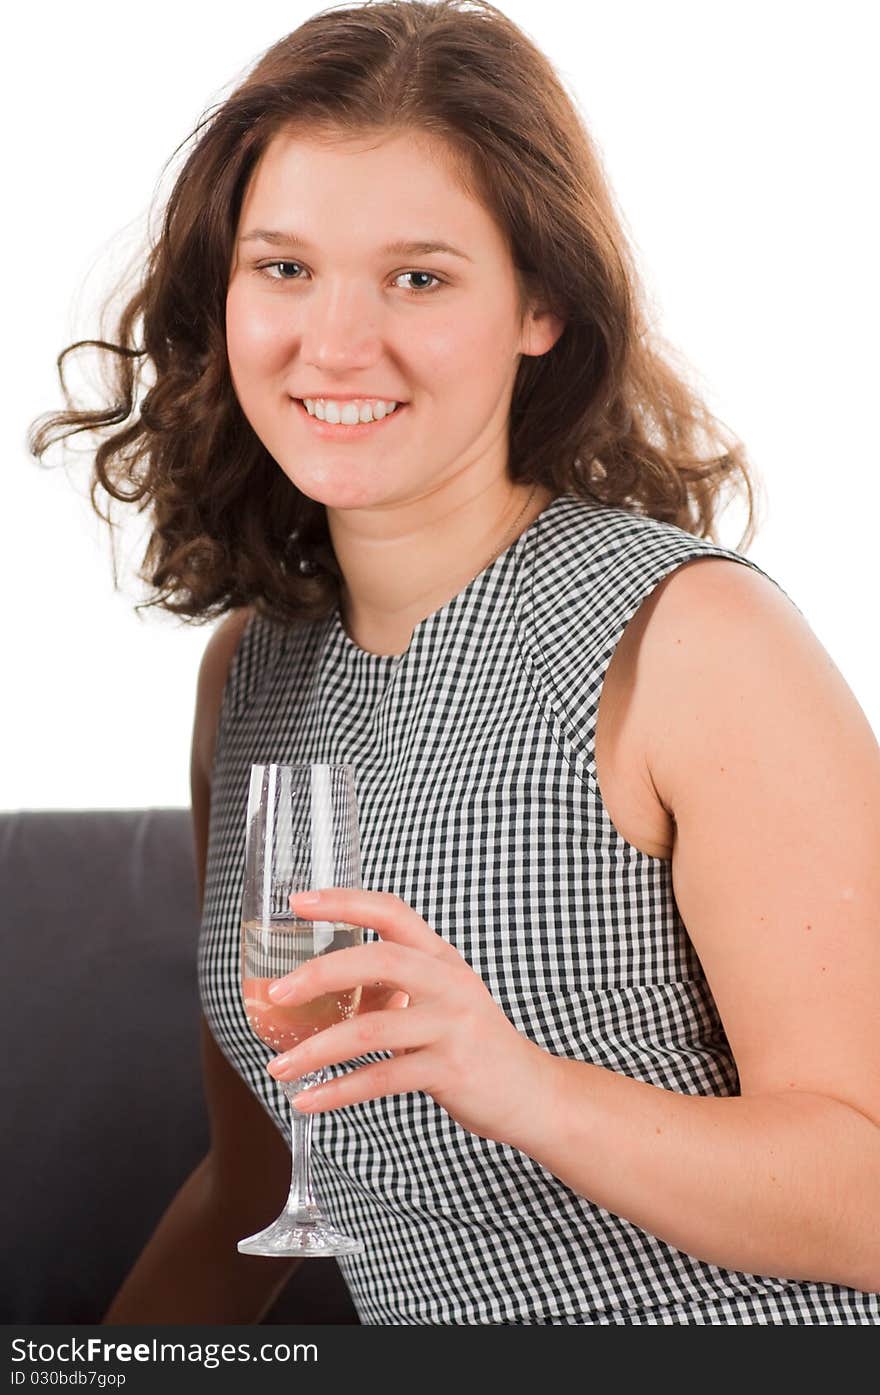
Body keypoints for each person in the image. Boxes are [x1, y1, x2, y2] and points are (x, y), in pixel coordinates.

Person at [29, 0, 879, 1326]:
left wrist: (522, 1084)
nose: (337, 342)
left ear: (540, 304)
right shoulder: (253, 681)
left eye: (418, 276)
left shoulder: (694, 640)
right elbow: (257, 1187)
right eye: (284, 268)